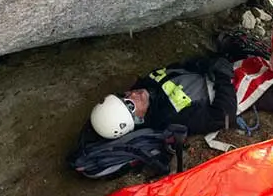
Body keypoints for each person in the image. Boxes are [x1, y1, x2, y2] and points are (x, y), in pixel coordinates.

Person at [90, 56, 238, 139]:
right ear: (138, 120)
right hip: (229, 83)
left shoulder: (146, 85)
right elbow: (224, 116)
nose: (134, 94)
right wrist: (223, 78)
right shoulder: (171, 117)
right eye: (130, 105)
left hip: (213, 68)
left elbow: (181, 66)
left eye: (124, 95)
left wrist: (206, 62)